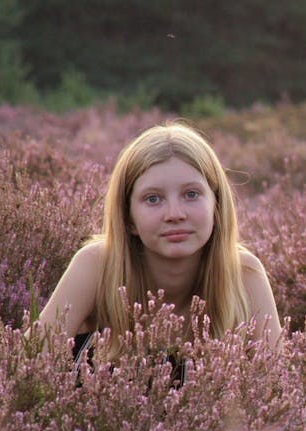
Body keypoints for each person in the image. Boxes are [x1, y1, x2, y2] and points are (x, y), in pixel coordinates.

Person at [30, 121, 282, 361]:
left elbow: (277, 387)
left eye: (191, 194)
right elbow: (25, 369)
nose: (175, 214)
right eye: (153, 199)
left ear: (216, 205)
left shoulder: (245, 274)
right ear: (128, 216)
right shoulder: (96, 265)